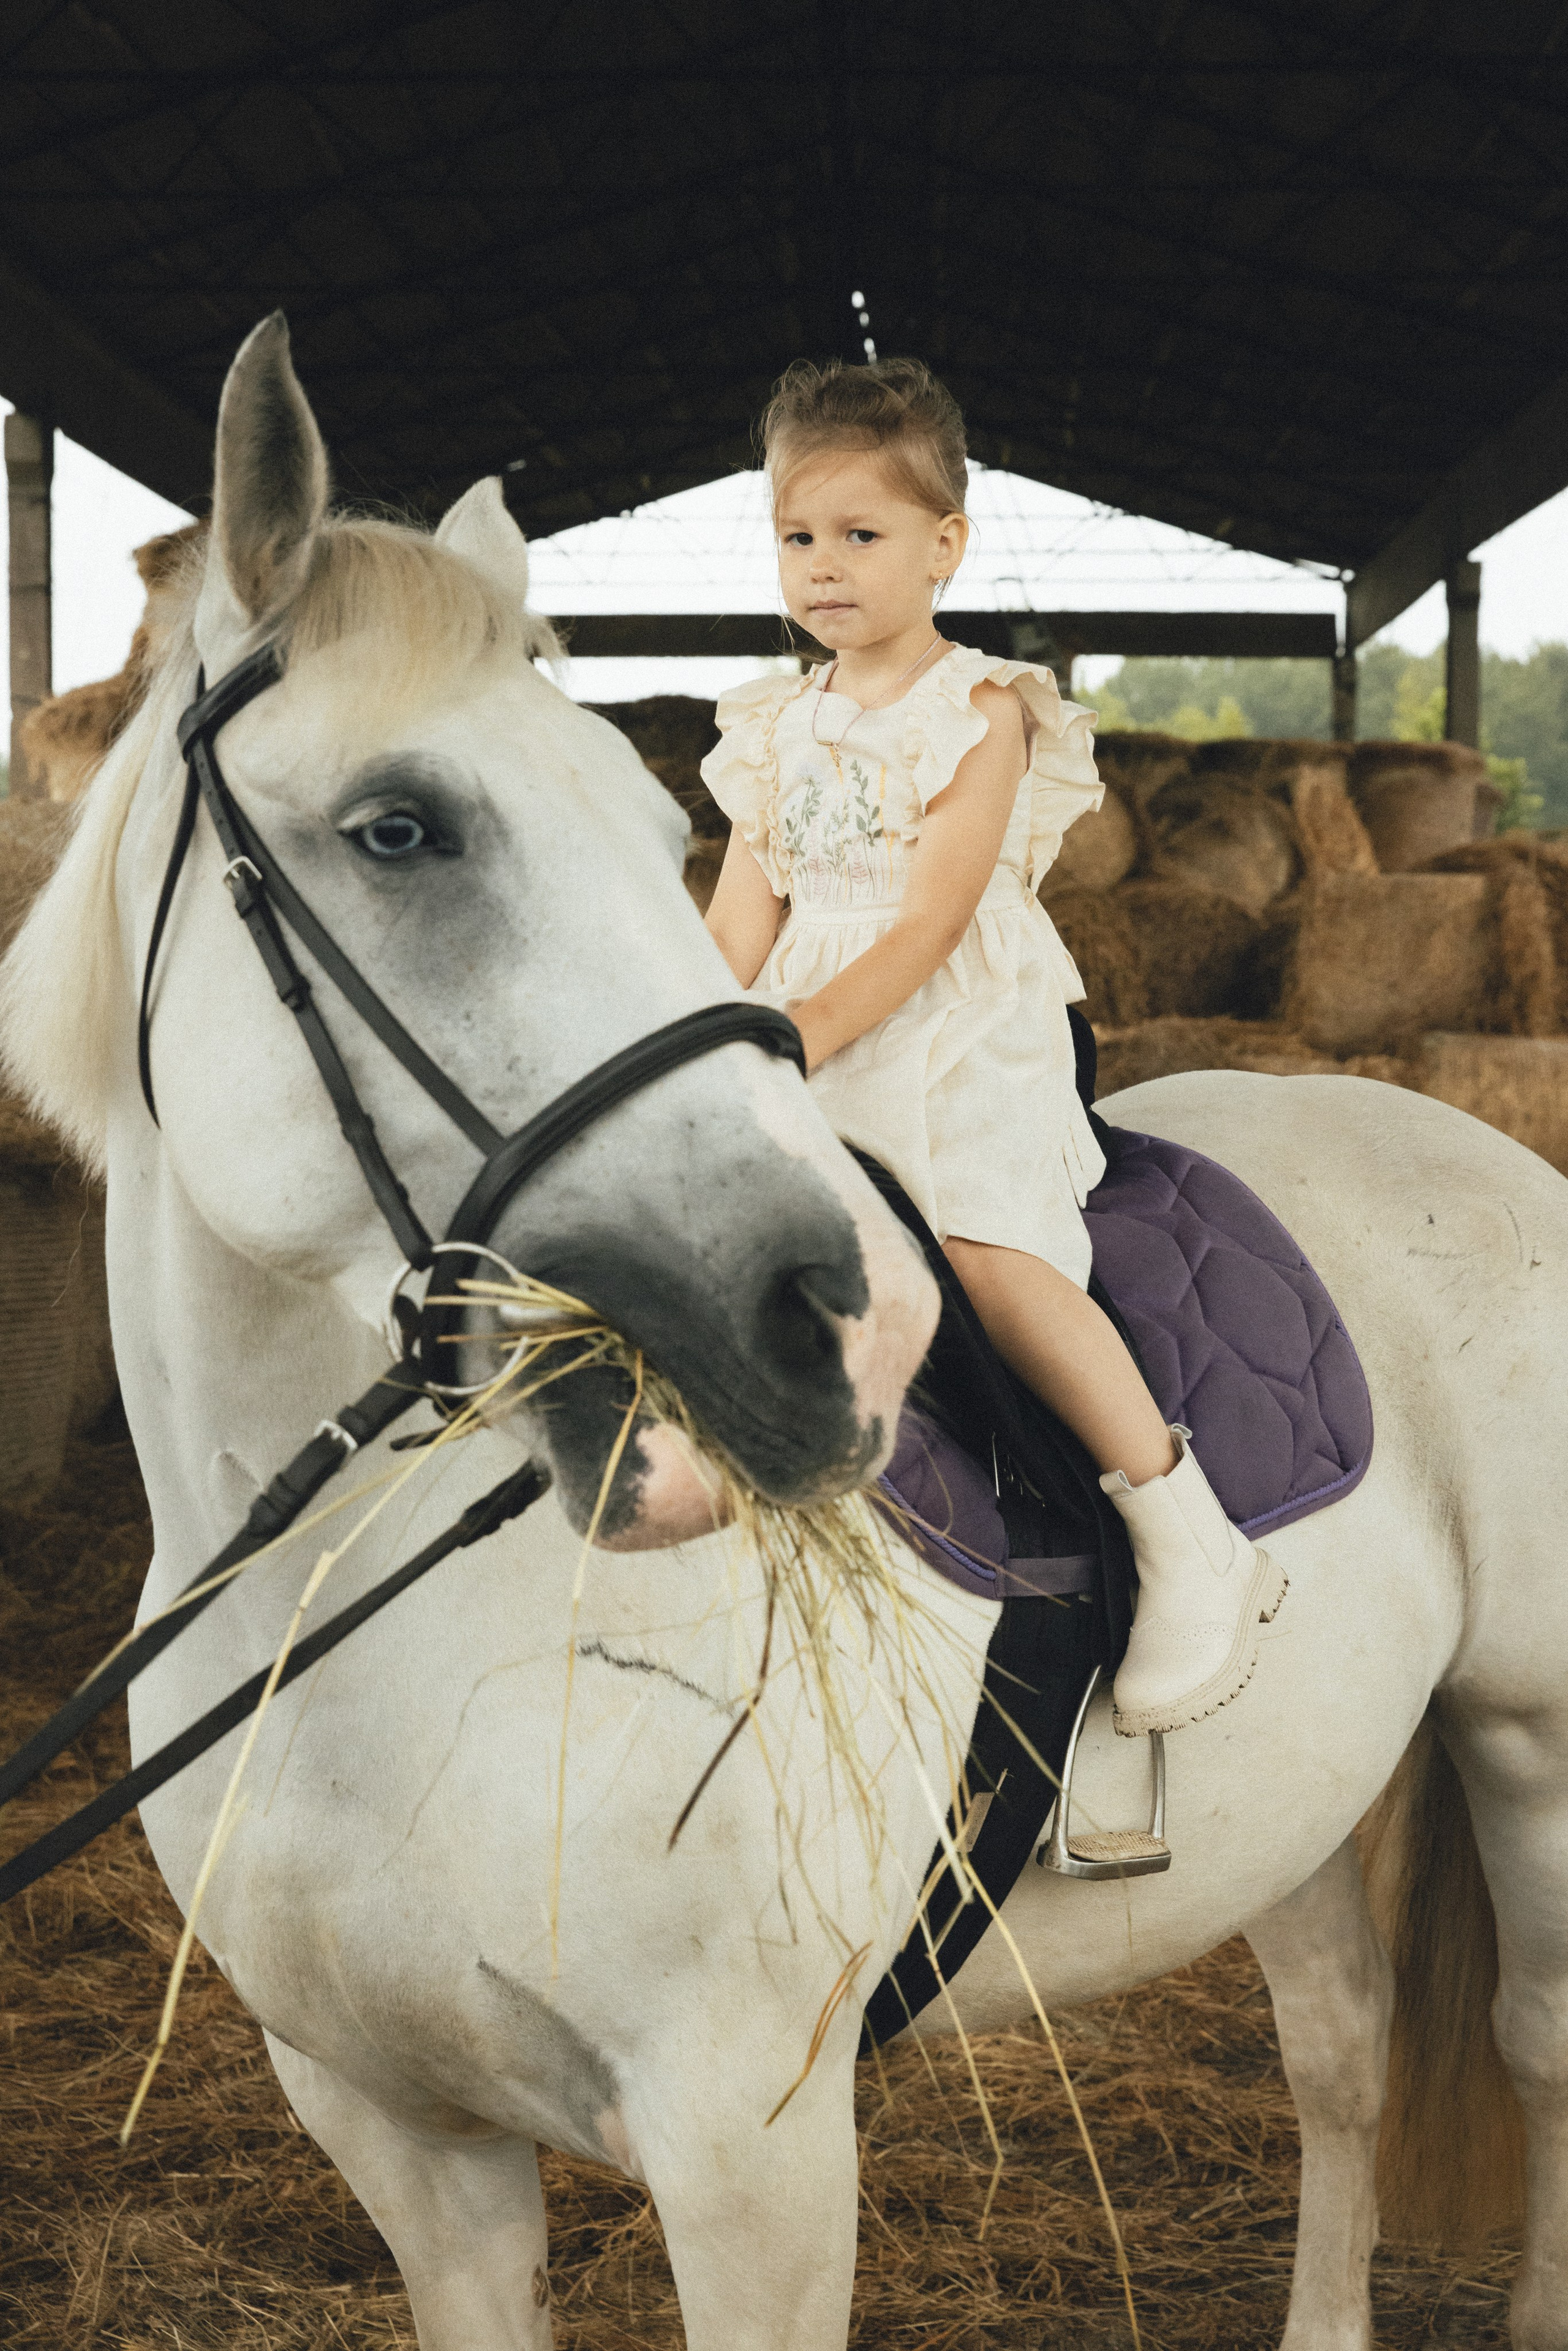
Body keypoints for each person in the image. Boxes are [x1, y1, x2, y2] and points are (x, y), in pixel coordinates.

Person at [701, 357, 1284, 1736]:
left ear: (943, 544)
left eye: (861, 535)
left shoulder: (979, 709)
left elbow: (927, 921)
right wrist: (694, 1031)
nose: (823, 568)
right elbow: (738, 910)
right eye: (797, 537)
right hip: (799, 1029)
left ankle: (1178, 1517)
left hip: (956, 1026)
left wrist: (798, 1031)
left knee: (974, 1246)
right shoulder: (773, 724)